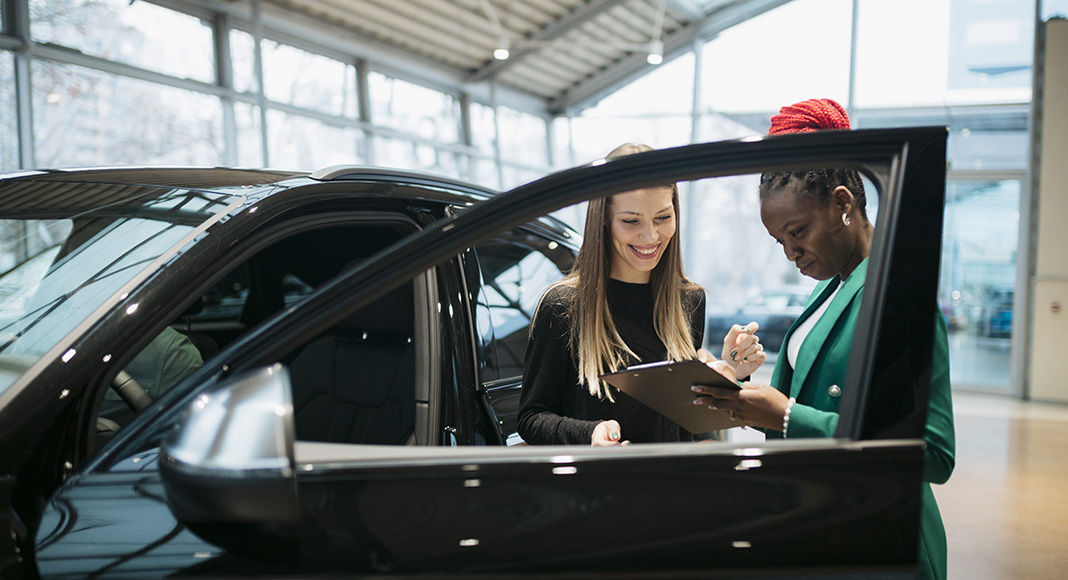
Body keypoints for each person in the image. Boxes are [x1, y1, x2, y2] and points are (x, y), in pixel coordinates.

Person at [691, 98, 955, 580]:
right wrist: (738, 385)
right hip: (830, 519)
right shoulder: (831, 287)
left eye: (798, 231)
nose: (790, 252)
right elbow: (808, 398)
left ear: (842, 203)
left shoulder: (897, 295)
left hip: (883, 535)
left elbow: (933, 454)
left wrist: (787, 415)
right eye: (780, 241)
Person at [517, 142, 765, 446]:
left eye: (663, 218)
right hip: (602, 476)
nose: (650, 236)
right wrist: (589, 434)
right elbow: (532, 417)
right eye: (631, 221)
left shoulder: (689, 301)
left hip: (672, 474)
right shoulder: (563, 306)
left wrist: (729, 375)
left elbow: (683, 421)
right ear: (603, 219)